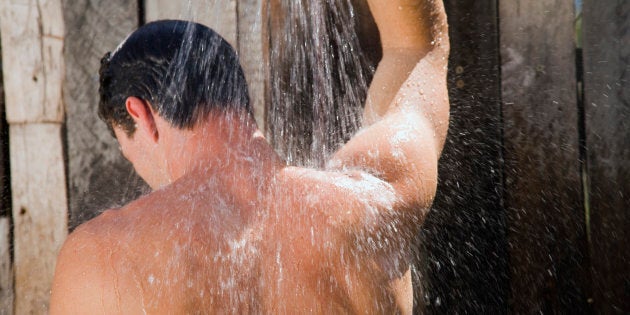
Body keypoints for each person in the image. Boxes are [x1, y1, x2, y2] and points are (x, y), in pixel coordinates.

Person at [50, 0, 449, 313]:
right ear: (237, 97)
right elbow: (414, 48)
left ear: (141, 114)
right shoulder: (372, 197)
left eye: (129, 151)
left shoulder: (100, 255)